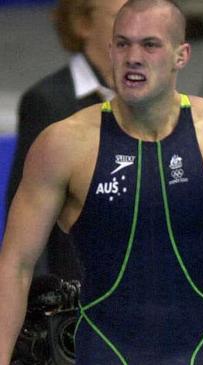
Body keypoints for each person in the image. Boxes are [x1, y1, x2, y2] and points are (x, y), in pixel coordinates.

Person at [0, 0, 203, 364]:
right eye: (123, 44)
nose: (133, 57)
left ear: (182, 55)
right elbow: (16, 264)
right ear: (110, 51)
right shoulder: (64, 145)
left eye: (150, 44)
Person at [7, 0, 126, 281]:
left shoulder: (148, 96)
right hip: (76, 292)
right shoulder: (49, 102)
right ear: (82, 24)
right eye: (122, 17)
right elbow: (27, 224)